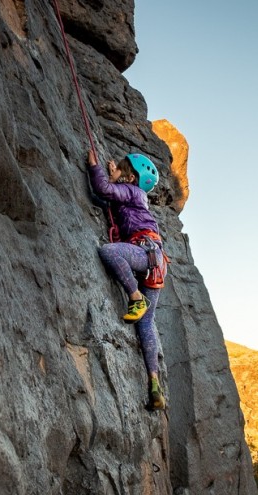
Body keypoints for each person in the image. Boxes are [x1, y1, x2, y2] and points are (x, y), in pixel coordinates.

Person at [88, 149, 168, 411]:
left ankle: (135, 298)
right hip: (156, 262)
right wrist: (114, 176)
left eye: (121, 169)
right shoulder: (135, 197)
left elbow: (102, 189)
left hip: (144, 253)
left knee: (109, 251)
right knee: (146, 325)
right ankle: (154, 384)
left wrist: (95, 167)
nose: (117, 172)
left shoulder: (133, 192)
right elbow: (108, 200)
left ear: (131, 177)